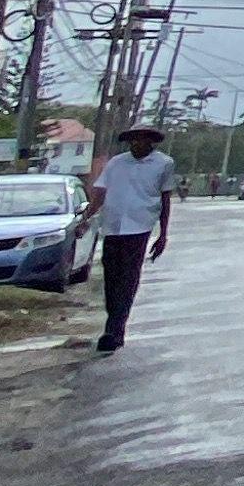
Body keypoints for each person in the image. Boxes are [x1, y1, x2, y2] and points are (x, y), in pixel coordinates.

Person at [84, 123, 179, 354]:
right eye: (133, 140)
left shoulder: (163, 164)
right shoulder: (117, 163)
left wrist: (163, 234)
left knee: (128, 279)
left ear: (151, 142)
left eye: (142, 140)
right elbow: (100, 194)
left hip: (139, 228)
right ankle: (114, 321)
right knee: (111, 280)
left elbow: (165, 199)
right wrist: (85, 219)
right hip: (112, 227)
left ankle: (115, 330)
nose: (137, 144)